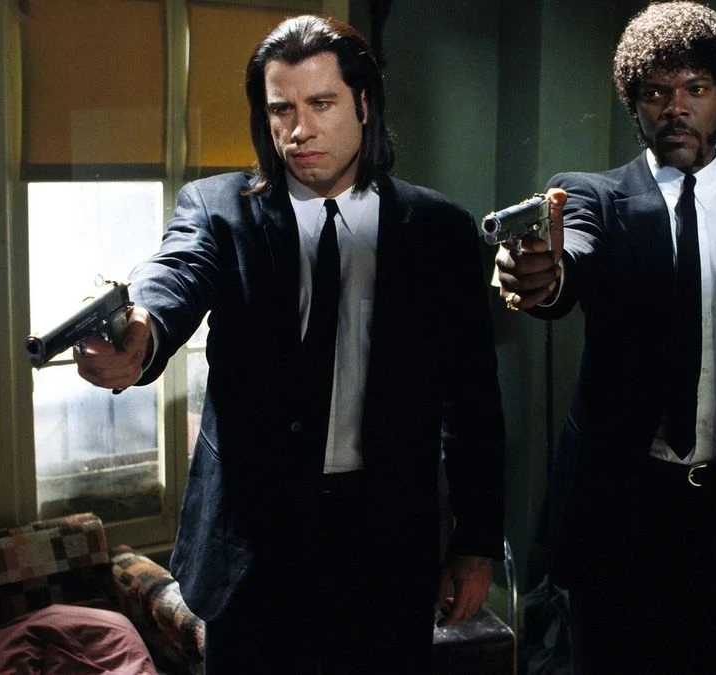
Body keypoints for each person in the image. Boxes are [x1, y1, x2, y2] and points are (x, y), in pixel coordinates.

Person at [74, 15, 505, 673]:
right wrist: (142, 330)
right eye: (282, 109)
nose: (298, 129)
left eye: (321, 104)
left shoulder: (440, 231)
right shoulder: (218, 208)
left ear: (364, 106)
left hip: (385, 549)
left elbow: (472, 401)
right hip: (253, 554)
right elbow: (176, 272)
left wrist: (475, 542)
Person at [495, 2, 716, 672]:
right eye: (655, 93)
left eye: (695, 88)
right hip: (620, 522)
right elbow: (571, 260)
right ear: (633, 103)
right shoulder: (591, 197)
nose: (675, 109)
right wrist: (543, 274)